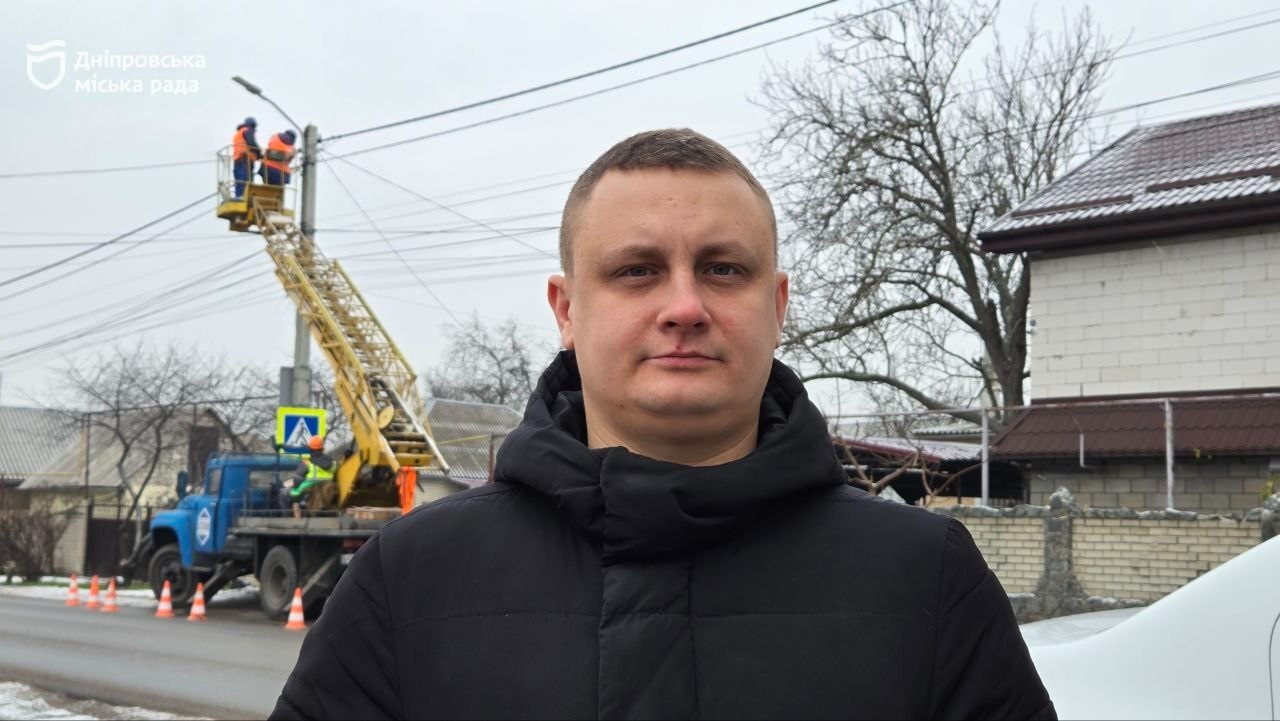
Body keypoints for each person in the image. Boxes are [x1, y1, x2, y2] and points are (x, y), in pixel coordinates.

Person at [270, 129, 1054, 720]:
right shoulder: (409, 578)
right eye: (637, 270)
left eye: (723, 268)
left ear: (776, 306)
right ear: (566, 309)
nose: (684, 306)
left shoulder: (927, 577)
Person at [278, 435, 336, 517]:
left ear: (310, 449)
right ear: (322, 448)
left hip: (308, 489)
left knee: (283, 494)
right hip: (326, 490)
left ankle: (287, 519)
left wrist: (294, 486)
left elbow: (297, 479)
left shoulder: (307, 462)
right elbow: (335, 475)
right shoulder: (333, 462)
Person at [230, 116, 261, 199]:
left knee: (239, 180)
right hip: (245, 159)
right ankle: (244, 196)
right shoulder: (247, 131)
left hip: (238, 159)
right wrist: (259, 153)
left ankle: (239, 196)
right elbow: (252, 143)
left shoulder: (239, 133)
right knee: (245, 179)